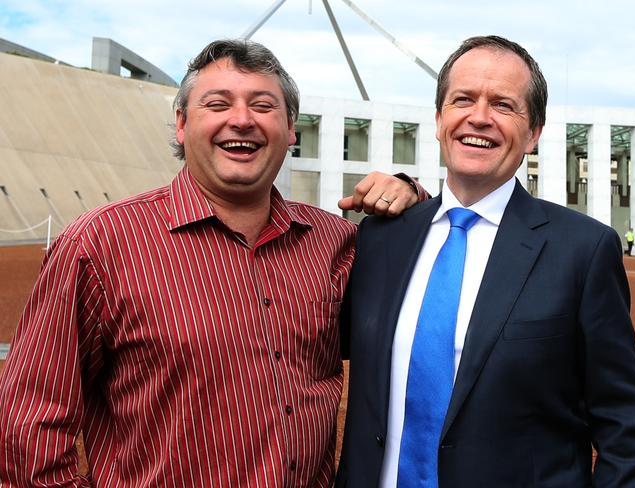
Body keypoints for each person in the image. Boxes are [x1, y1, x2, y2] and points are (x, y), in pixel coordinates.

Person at [0, 39, 424, 486]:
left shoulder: (334, 243)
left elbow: (433, 299)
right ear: (182, 124)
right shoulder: (101, 245)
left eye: (263, 105)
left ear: (290, 128)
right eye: (218, 104)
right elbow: (29, 427)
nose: (241, 120)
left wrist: (414, 199)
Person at [336, 35, 635, 487]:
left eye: (503, 105)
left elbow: (625, 427)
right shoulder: (381, 239)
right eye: (463, 99)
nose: (479, 118)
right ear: (440, 118)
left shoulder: (583, 251)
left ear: (534, 132)